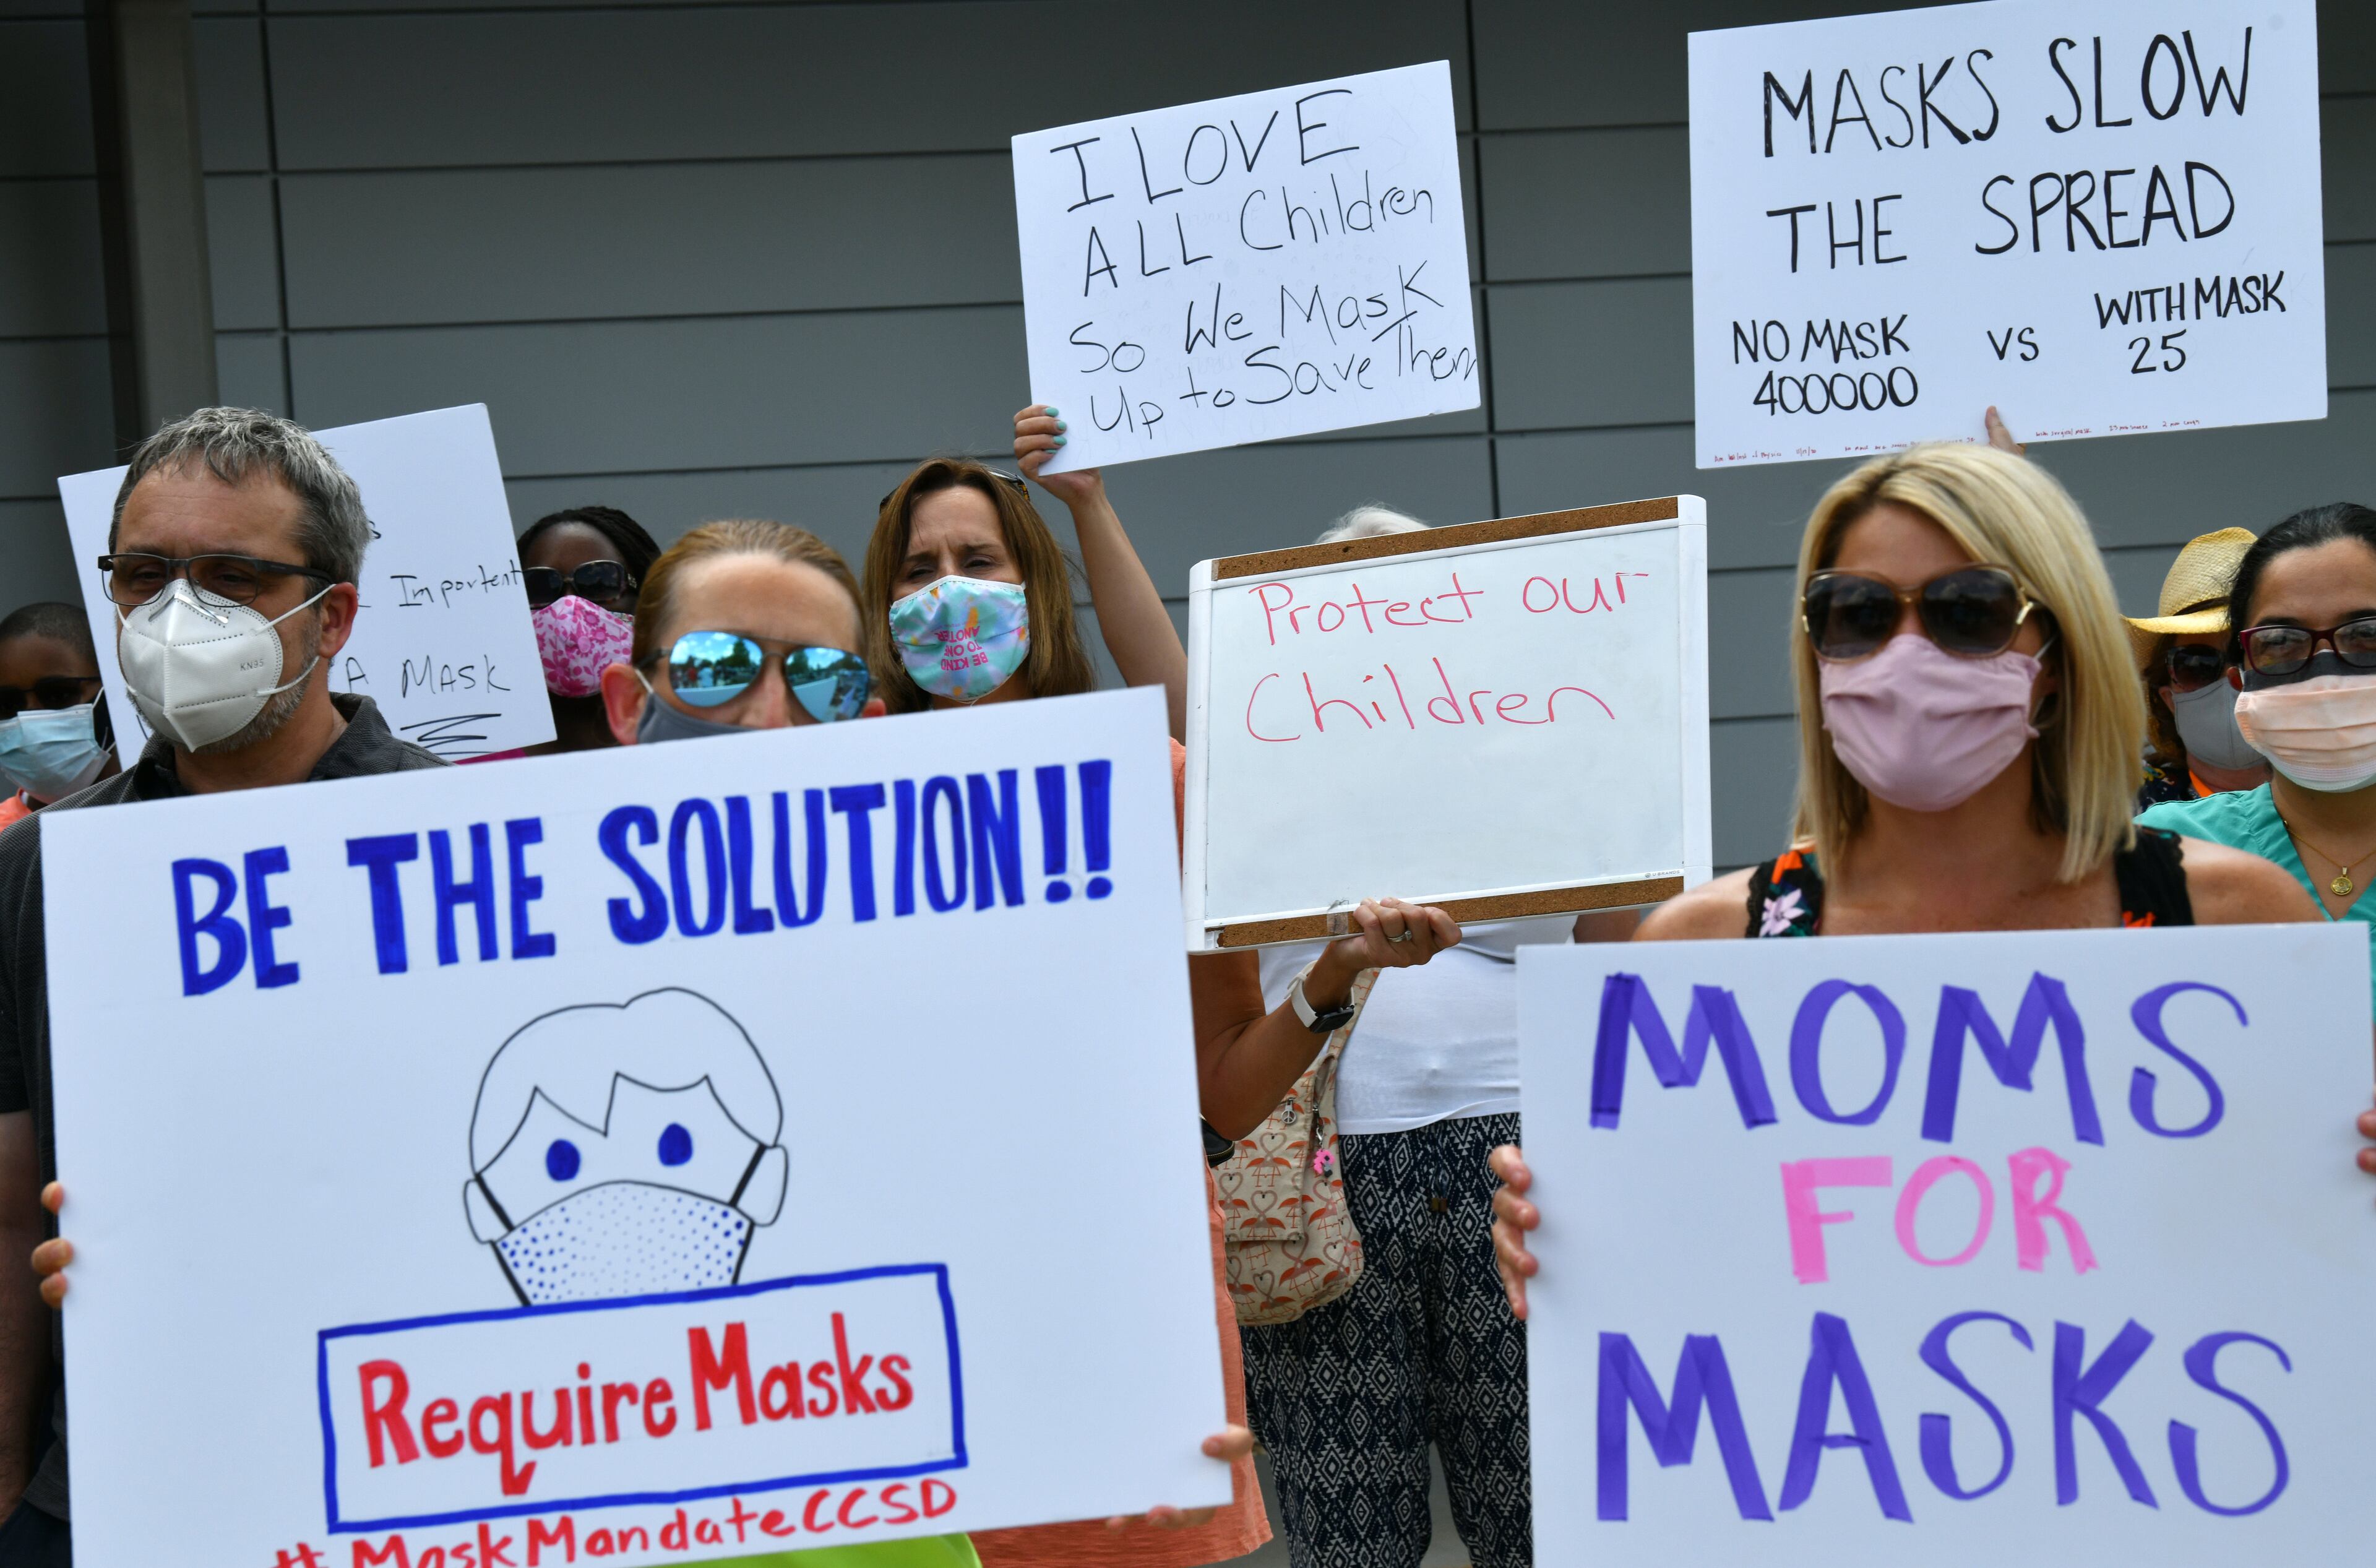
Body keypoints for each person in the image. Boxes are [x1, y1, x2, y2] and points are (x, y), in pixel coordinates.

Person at [1482, 443, 2349, 1317]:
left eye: (1966, 609)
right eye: (1853, 612)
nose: (1905, 653)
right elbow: (1663, 1274)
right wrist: (1566, 1237)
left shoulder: (2240, 923)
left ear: (2057, 652)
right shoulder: (1695, 953)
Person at [854, 417, 1461, 1568]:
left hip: (1114, 1308)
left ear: (1035, 587)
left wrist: (1332, 979)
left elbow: (1223, 1099)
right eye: (918, 570)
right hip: (910, 1329)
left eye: (978, 562)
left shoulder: (1153, 783)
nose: (948, 592)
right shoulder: (830, 804)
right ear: (881, 608)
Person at [0, 407, 447, 1561]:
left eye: (234, 576)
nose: (175, 613)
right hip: (121, 1485)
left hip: (424, 1471)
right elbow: (9, 1206)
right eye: (144, 574)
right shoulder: (41, 867)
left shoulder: (467, 838)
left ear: (333, 612)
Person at [1239, 503, 1544, 1568]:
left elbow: (1617, 950)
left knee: (1547, 1511)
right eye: (1349, 605)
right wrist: (1090, 507)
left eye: (1406, 601)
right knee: (1349, 1537)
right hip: (1321, 1179)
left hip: (1518, 1158)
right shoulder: (1252, 778)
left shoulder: (1547, 756)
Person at [2137, 505, 2376, 976]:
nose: (2325, 675)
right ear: (2240, 679)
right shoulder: (2163, 849)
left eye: (2366, 635)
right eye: (2280, 642)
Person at [2127, 528, 2269, 806]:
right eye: (2196, 664)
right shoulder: (2111, 810)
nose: (2231, 679)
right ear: (2168, 699)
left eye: (2249, 655)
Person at [520, 504, 662, 755]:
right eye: (541, 586)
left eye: (600, 582)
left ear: (647, 599)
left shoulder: (695, 736)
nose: (568, 608)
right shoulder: (472, 758)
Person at [0, 607, 116, 834]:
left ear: (110, 690)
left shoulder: (173, 810)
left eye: (59, 695)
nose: (29, 719)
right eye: (8, 704)